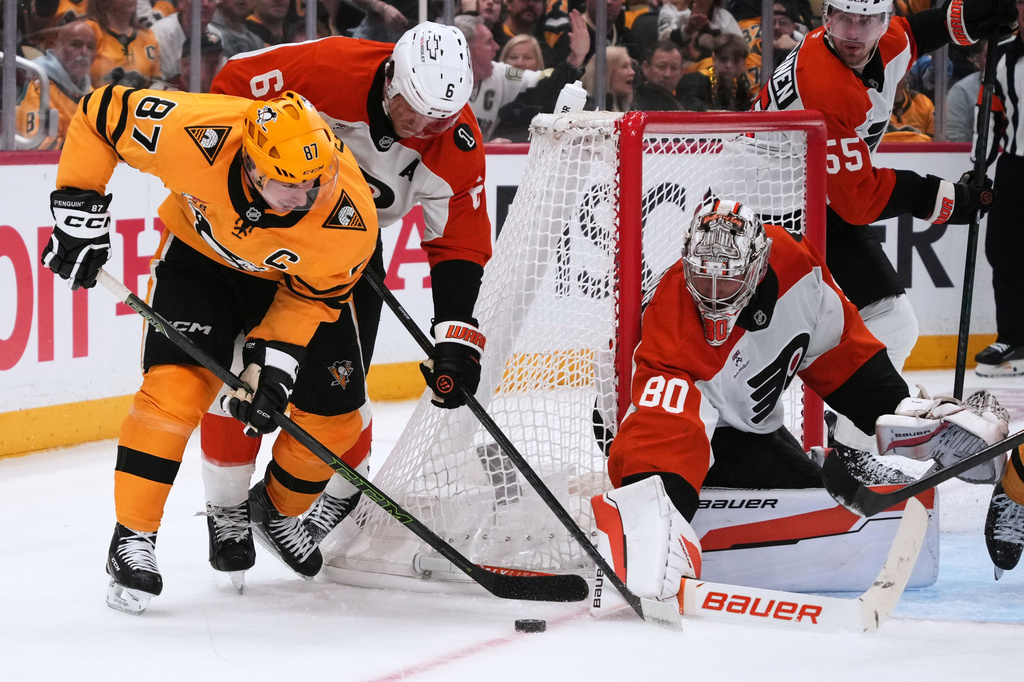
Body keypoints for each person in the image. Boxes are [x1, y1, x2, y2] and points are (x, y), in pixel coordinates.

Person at [40, 85, 379, 612]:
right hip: (200, 264)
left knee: (336, 422)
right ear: (251, 167)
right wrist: (78, 212)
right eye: (290, 187)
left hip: (291, 286)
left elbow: (311, 302)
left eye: (316, 182)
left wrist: (275, 367)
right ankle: (132, 539)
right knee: (172, 393)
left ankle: (275, 508)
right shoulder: (194, 134)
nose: (307, 198)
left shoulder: (348, 218)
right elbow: (98, 112)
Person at [591, 200, 1010, 604]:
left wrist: (899, 407)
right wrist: (653, 519)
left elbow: (840, 353)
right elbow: (662, 431)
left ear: (757, 268)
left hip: (738, 420)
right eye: (703, 280)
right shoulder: (674, 325)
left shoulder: (797, 269)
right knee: (729, 499)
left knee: (815, 494)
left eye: (728, 281)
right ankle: (658, 511)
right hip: (631, 421)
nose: (715, 296)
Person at [202, 22, 491, 579]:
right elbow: (230, 85)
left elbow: (458, 241)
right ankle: (226, 508)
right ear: (390, 81)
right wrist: (245, 186)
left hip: (349, 249)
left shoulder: (455, 145)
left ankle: (278, 503)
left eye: (441, 118)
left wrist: (455, 336)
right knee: (245, 378)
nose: (424, 128)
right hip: (264, 228)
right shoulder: (328, 70)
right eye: (414, 110)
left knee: (342, 395)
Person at [751, 0, 1013, 469]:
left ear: (882, 21)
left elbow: (914, 33)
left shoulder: (883, 43)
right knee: (769, 342)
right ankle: (750, 436)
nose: (853, 32)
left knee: (892, 322)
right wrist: (948, 198)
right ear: (825, 17)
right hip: (767, 210)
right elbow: (859, 200)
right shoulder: (824, 81)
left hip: (814, 202)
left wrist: (969, 17)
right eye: (842, 19)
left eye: (866, 20)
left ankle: (852, 447)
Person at [456, 11, 588, 142]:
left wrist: (576, 57)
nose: (496, 47)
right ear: (467, 49)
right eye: (488, 42)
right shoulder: (438, 82)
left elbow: (547, 82)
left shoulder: (499, 74)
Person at [16, 18, 96, 149]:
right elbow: (37, 145)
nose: (84, 52)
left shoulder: (93, 95)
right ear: (57, 48)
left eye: (91, 47)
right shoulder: (38, 89)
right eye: (76, 45)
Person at [86, 0, 163, 86]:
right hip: (97, 97)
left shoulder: (147, 36)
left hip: (138, 98)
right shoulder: (89, 31)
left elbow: (156, 82)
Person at [676, 32, 754, 111]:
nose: (729, 65)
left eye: (735, 61)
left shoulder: (739, 88)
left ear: (743, 63)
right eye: (723, 59)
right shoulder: (693, 82)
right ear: (714, 59)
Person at [150, 0, 219, 84]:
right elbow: (156, 84)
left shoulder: (217, 35)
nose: (205, 4)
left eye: (211, 0)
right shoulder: (158, 34)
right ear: (181, 3)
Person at [659, 0, 743, 64]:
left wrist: (701, 55)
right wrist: (687, 30)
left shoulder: (724, 17)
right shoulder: (672, 11)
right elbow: (664, 44)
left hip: (713, 73)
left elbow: (741, 51)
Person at [944, 39, 985, 143]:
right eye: (990, 56)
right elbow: (955, 137)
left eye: (1002, 54)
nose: (998, 60)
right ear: (978, 60)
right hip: (974, 157)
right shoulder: (962, 91)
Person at [632, 39, 685, 110]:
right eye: (661, 67)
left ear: (681, 73)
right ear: (646, 68)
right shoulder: (632, 102)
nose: (667, 74)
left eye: (673, 68)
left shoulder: (691, 104)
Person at [883, 70, 934, 141]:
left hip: (918, 151)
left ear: (908, 74)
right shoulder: (870, 105)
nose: (892, 77)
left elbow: (935, 144)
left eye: (897, 69)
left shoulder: (923, 103)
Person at [581, 44, 635, 111]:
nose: (632, 72)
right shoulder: (587, 110)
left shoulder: (635, 108)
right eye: (624, 66)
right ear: (605, 73)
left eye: (630, 66)